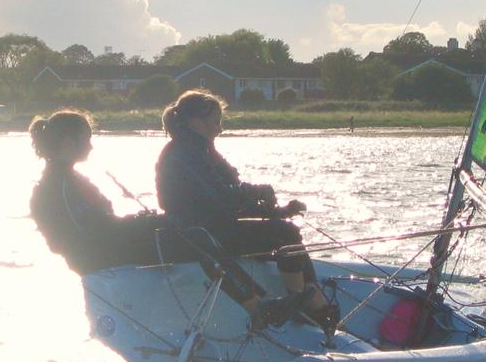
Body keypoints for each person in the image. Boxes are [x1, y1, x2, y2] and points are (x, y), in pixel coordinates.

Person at [28, 110, 260, 315]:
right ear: (69, 143)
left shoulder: (67, 179)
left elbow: (102, 226)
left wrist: (146, 222)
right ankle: (254, 304)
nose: (91, 145)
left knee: (188, 230)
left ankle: (250, 297)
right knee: (196, 237)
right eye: (87, 139)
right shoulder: (58, 186)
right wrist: (146, 223)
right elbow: (99, 231)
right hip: (102, 258)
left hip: (108, 250)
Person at [155, 90, 338, 331]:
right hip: (200, 234)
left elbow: (231, 194)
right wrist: (257, 191)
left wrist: (277, 212)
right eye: (216, 122)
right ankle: (302, 303)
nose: (219, 129)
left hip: (219, 225)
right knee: (285, 235)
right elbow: (220, 196)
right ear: (196, 122)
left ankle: (307, 296)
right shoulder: (182, 153)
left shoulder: (203, 150)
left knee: (286, 233)